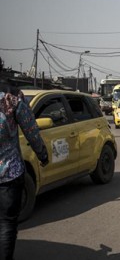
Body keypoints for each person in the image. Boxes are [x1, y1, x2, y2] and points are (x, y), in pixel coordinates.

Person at [1, 83, 48, 260]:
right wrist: (42, 154)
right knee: (6, 223)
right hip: (8, 173)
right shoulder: (12, 97)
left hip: (9, 175)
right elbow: (31, 130)